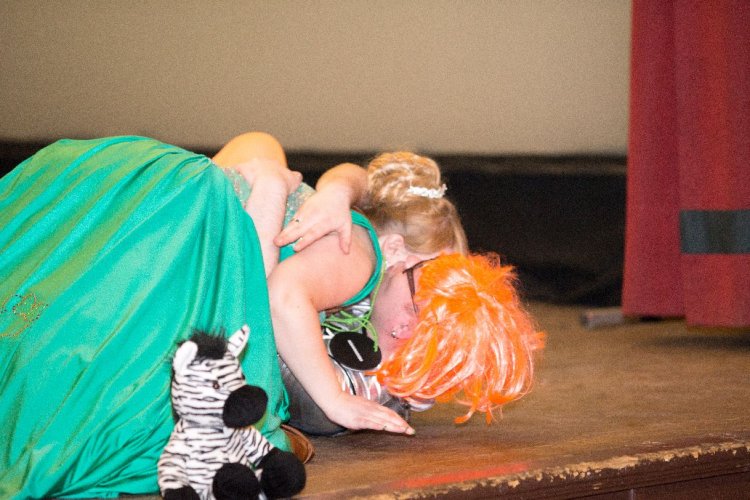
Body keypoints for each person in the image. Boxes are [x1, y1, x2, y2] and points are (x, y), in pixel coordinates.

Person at [0, 132, 543, 499]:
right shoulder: (363, 256)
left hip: (164, 199)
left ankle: (265, 187)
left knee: (71, 312)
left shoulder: (354, 263)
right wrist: (336, 398)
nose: (407, 329)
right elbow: (280, 298)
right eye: (418, 302)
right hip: (197, 220)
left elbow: (343, 182)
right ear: (400, 254)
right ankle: (265, 188)